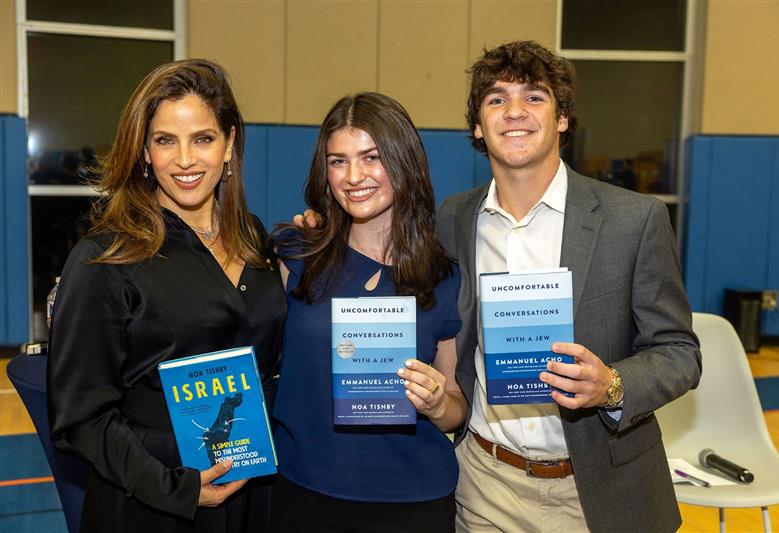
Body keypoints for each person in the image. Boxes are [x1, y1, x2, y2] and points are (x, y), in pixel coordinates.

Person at [435, 41, 702, 532]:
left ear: (562, 119)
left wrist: (612, 385)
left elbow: (680, 352)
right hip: (485, 484)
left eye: (534, 97)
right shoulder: (455, 218)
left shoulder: (633, 219)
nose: (515, 111)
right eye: (496, 99)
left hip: (601, 489)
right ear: (477, 126)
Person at [47, 59, 286, 532]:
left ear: (230, 143)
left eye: (203, 138)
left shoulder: (254, 238)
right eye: (165, 141)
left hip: (251, 493)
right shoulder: (106, 257)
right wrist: (175, 487)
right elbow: (81, 417)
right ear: (144, 151)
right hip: (150, 506)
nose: (185, 161)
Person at [270, 92, 466, 532]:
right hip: (304, 492)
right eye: (337, 161)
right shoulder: (294, 254)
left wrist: (436, 403)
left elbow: (456, 407)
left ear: (403, 160)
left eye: (371, 157)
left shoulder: (444, 276)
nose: (353, 176)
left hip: (413, 501)